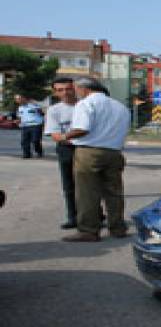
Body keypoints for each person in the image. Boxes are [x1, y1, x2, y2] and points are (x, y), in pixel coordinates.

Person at [59, 77, 131, 242]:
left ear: (84, 88)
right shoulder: (121, 107)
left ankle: (89, 230)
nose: (75, 93)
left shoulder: (85, 104)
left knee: (87, 193)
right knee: (114, 192)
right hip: (114, 152)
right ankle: (117, 227)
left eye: (76, 89)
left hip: (89, 151)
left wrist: (64, 136)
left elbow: (81, 129)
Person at [43, 78, 79, 229]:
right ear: (55, 92)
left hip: (87, 149)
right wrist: (71, 139)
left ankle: (96, 214)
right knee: (69, 185)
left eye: (68, 88)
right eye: (60, 90)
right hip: (66, 149)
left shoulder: (85, 105)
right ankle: (73, 217)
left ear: (74, 88)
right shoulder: (54, 110)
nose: (65, 93)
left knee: (90, 184)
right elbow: (55, 135)